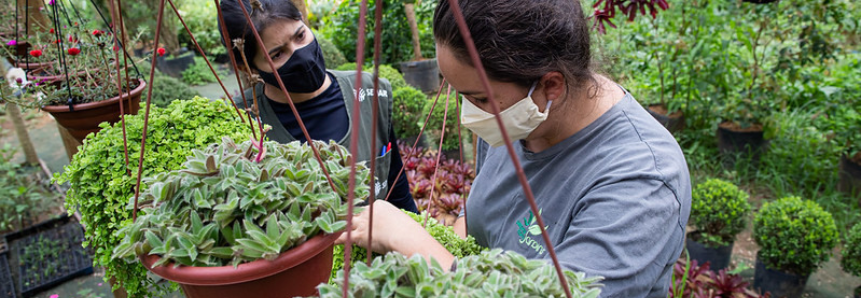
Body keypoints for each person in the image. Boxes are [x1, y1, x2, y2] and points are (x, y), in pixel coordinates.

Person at [338, 0, 692, 297]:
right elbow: (481, 224)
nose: (468, 115)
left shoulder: (644, 180)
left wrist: (417, 246)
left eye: (478, 98)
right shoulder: (520, 116)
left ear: (550, 85)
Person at [219, 0, 418, 213]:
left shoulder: (368, 90)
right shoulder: (240, 119)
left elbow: (397, 189)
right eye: (277, 54)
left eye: (300, 36)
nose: (301, 55)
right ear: (246, 66)